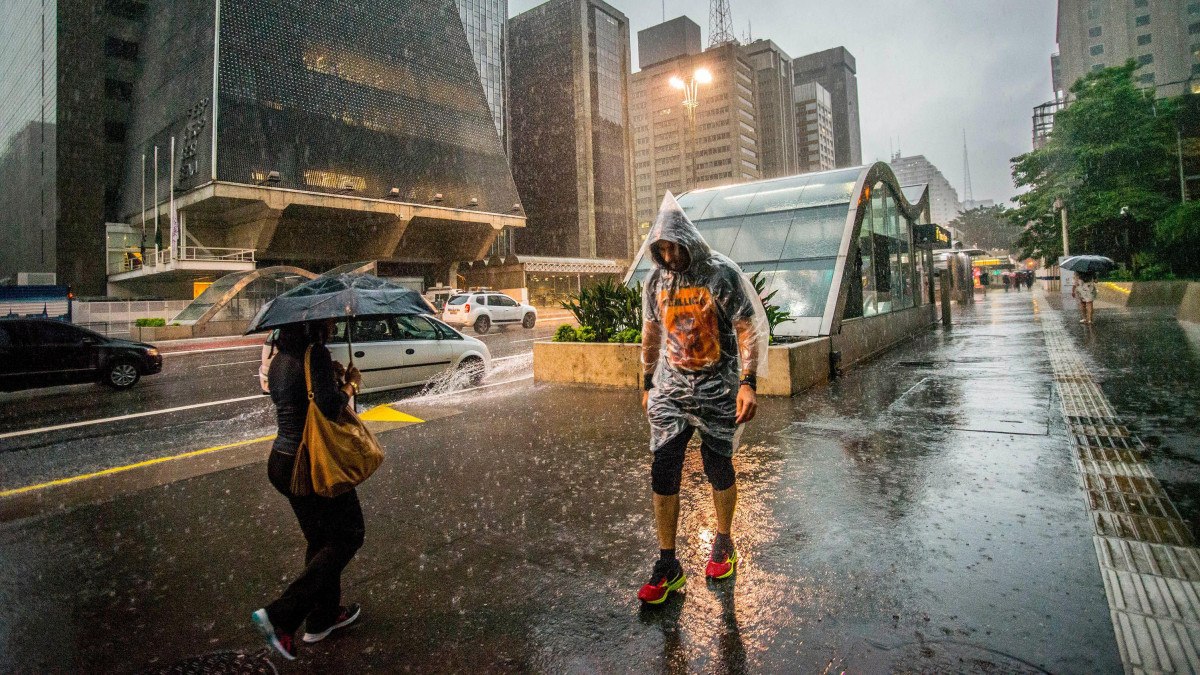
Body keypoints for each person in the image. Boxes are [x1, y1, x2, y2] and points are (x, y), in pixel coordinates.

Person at [636, 193, 768, 605]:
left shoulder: (719, 275)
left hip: (717, 388)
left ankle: (724, 541)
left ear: (687, 240)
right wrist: (646, 383)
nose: (669, 255)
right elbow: (652, 333)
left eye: (673, 246)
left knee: (717, 465)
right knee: (664, 467)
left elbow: (747, 328)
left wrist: (748, 382)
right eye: (661, 249)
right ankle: (667, 563)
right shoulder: (656, 282)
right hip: (672, 390)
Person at [252, 319, 365, 660]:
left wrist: (327, 378)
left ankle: (323, 618)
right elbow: (330, 408)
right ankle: (281, 615)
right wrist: (351, 385)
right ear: (314, 326)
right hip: (312, 463)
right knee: (349, 535)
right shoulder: (313, 354)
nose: (332, 325)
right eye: (328, 322)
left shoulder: (279, 359)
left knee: (321, 540)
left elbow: (299, 401)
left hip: (283, 461)